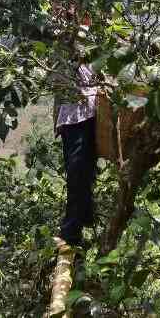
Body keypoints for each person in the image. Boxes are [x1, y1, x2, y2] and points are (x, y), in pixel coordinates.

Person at [52, 21, 99, 247]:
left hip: (85, 112)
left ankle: (72, 230)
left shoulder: (86, 37)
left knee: (78, 171)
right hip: (72, 114)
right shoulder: (63, 38)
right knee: (79, 171)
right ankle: (83, 220)